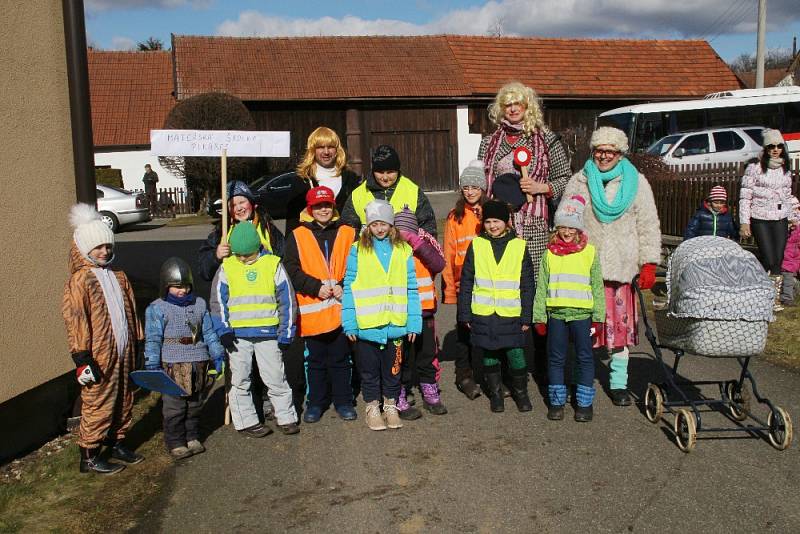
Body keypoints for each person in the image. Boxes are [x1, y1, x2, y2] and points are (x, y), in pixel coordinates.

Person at [561, 126, 662, 407]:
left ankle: (619, 383)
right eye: (599, 150)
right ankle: (583, 377)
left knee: (620, 331)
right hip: (586, 266)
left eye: (610, 151)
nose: (604, 156)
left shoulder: (637, 182)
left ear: (620, 153)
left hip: (622, 268)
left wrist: (649, 262)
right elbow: (567, 218)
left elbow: (648, 224)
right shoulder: (579, 181)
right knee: (586, 328)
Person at [341, 145, 444, 419]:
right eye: (381, 171)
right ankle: (396, 392)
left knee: (422, 344)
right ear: (372, 171)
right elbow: (348, 229)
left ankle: (427, 386)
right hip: (375, 275)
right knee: (394, 348)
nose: (386, 177)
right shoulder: (359, 193)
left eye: (391, 171)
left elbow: (429, 227)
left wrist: (416, 242)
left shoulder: (412, 189)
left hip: (407, 273)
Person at [478, 81, 572, 380]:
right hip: (499, 230)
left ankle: (545, 367)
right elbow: (479, 181)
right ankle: (507, 369)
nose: (513, 109)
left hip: (534, 228)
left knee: (535, 295)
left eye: (518, 103)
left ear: (528, 106)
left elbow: (566, 179)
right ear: (500, 108)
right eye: (507, 104)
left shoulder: (547, 140)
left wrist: (542, 187)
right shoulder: (489, 142)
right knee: (502, 292)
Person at [63, 203, 144, 474]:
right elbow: (76, 318)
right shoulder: (80, 281)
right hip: (99, 354)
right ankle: (89, 453)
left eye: (107, 246)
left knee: (124, 398)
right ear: (85, 249)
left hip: (124, 351)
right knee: (98, 401)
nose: (104, 251)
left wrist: (139, 342)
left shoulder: (119, 277)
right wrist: (82, 356)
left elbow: (132, 312)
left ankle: (117, 441)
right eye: (98, 247)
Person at [210, 221, 300, 436]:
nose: (243, 259)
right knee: (240, 379)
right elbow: (217, 303)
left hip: (267, 333)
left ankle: (286, 416)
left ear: (257, 248)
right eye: (239, 255)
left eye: (248, 255)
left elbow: (287, 301)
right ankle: (246, 421)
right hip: (236, 337)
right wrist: (223, 330)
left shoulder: (272, 264)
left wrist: (286, 332)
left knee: (275, 376)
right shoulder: (227, 267)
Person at [342, 200, 422, 431]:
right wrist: (350, 323)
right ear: (367, 226)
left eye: (383, 224)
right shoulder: (357, 250)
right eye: (374, 224)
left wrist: (413, 323)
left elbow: (411, 289)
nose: (379, 229)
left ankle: (390, 405)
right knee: (368, 371)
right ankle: (372, 407)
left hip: (396, 324)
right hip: (368, 325)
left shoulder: (403, 250)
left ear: (391, 225)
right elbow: (349, 286)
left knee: (393, 370)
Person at [282, 186, 357, 423]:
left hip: (340, 310)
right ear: (309, 208)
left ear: (333, 206)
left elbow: (358, 264)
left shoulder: (348, 232)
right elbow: (291, 269)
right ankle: (316, 402)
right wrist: (315, 287)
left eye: (326, 205)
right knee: (314, 362)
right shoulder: (297, 234)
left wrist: (344, 284)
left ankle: (344, 401)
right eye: (318, 206)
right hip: (313, 312)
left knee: (341, 359)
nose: (323, 210)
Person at [457, 200, 535, 413]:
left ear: (506, 222)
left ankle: (521, 393)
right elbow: (466, 281)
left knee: (516, 353)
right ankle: (496, 393)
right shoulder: (477, 244)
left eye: (497, 221)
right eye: (488, 221)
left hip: (511, 312)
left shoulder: (519, 246)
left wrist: (527, 316)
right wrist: (465, 314)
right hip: (483, 312)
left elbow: (528, 284)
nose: (492, 226)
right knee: (489, 354)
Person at [533, 195, 605, 422]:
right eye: (562, 227)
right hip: (556, 315)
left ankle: (584, 403)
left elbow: (597, 286)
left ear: (579, 229)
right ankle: (556, 402)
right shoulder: (550, 253)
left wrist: (598, 317)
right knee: (556, 358)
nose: (566, 232)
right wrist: (539, 317)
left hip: (582, 315)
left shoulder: (589, 253)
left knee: (584, 357)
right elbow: (542, 286)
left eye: (571, 227)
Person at [144, 257, 225, 459]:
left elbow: (209, 332)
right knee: (175, 407)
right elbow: (153, 338)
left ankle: (191, 437)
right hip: (173, 365)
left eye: (186, 286)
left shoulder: (199, 304)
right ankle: (176, 442)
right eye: (176, 287)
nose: (182, 291)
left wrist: (217, 354)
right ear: (166, 286)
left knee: (195, 404)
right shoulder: (157, 308)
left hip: (198, 362)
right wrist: (152, 363)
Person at [442, 160, 487, 400]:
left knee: (490, 330)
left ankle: (491, 374)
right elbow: (448, 253)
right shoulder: (454, 217)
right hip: (463, 283)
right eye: (466, 187)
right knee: (464, 332)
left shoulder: (491, 213)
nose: (470, 192)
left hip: (489, 283)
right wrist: (450, 289)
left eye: (475, 187)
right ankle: (464, 375)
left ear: (483, 189)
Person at [740, 129, 795, 312]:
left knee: (778, 259)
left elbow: (787, 195)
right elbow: (745, 196)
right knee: (769, 258)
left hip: (780, 217)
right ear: (765, 148)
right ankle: (763, 293)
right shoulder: (754, 168)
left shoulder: (785, 168)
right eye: (772, 146)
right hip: (760, 217)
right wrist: (744, 222)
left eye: (779, 146)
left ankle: (775, 298)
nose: (776, 150)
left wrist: (793, 217)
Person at [197, 180, 285, 282]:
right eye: (233, 205)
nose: (238, 208)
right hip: (234, 295)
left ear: (251, 203)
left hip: (264, 293)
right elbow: (204, 272)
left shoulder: (268, 229)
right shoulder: (221, 233)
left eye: (242, 202)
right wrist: (216, 256)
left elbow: (283, 263)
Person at [285, 127, 362, 234]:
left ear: (337, 150)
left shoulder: (350, 178)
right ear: (313, 150)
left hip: (344, 241)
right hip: (311, 243)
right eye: (321, 147)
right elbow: (292, 221)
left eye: (330, 147)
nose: (326, 152)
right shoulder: (302, 180)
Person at [779, 199, 800, 307]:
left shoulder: (798, 226)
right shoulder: (785, 227)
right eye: (794, 209)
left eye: (797, 208)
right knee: (787, 278)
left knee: (792, 279)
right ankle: (786, 297)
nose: (796, 211)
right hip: (787, 258)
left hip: (795, 258)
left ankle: (792, 294)